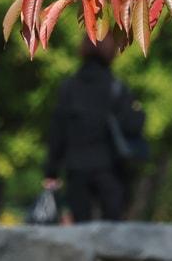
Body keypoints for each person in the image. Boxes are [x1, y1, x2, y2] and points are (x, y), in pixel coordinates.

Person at [43, 35, 145, 222]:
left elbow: (57, 132)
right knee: (113, 227)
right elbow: (133, 125)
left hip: (76, 168)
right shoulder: (116, 88)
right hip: (110, 168)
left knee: (81, 228)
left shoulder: (69, 88)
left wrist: (51, 171)